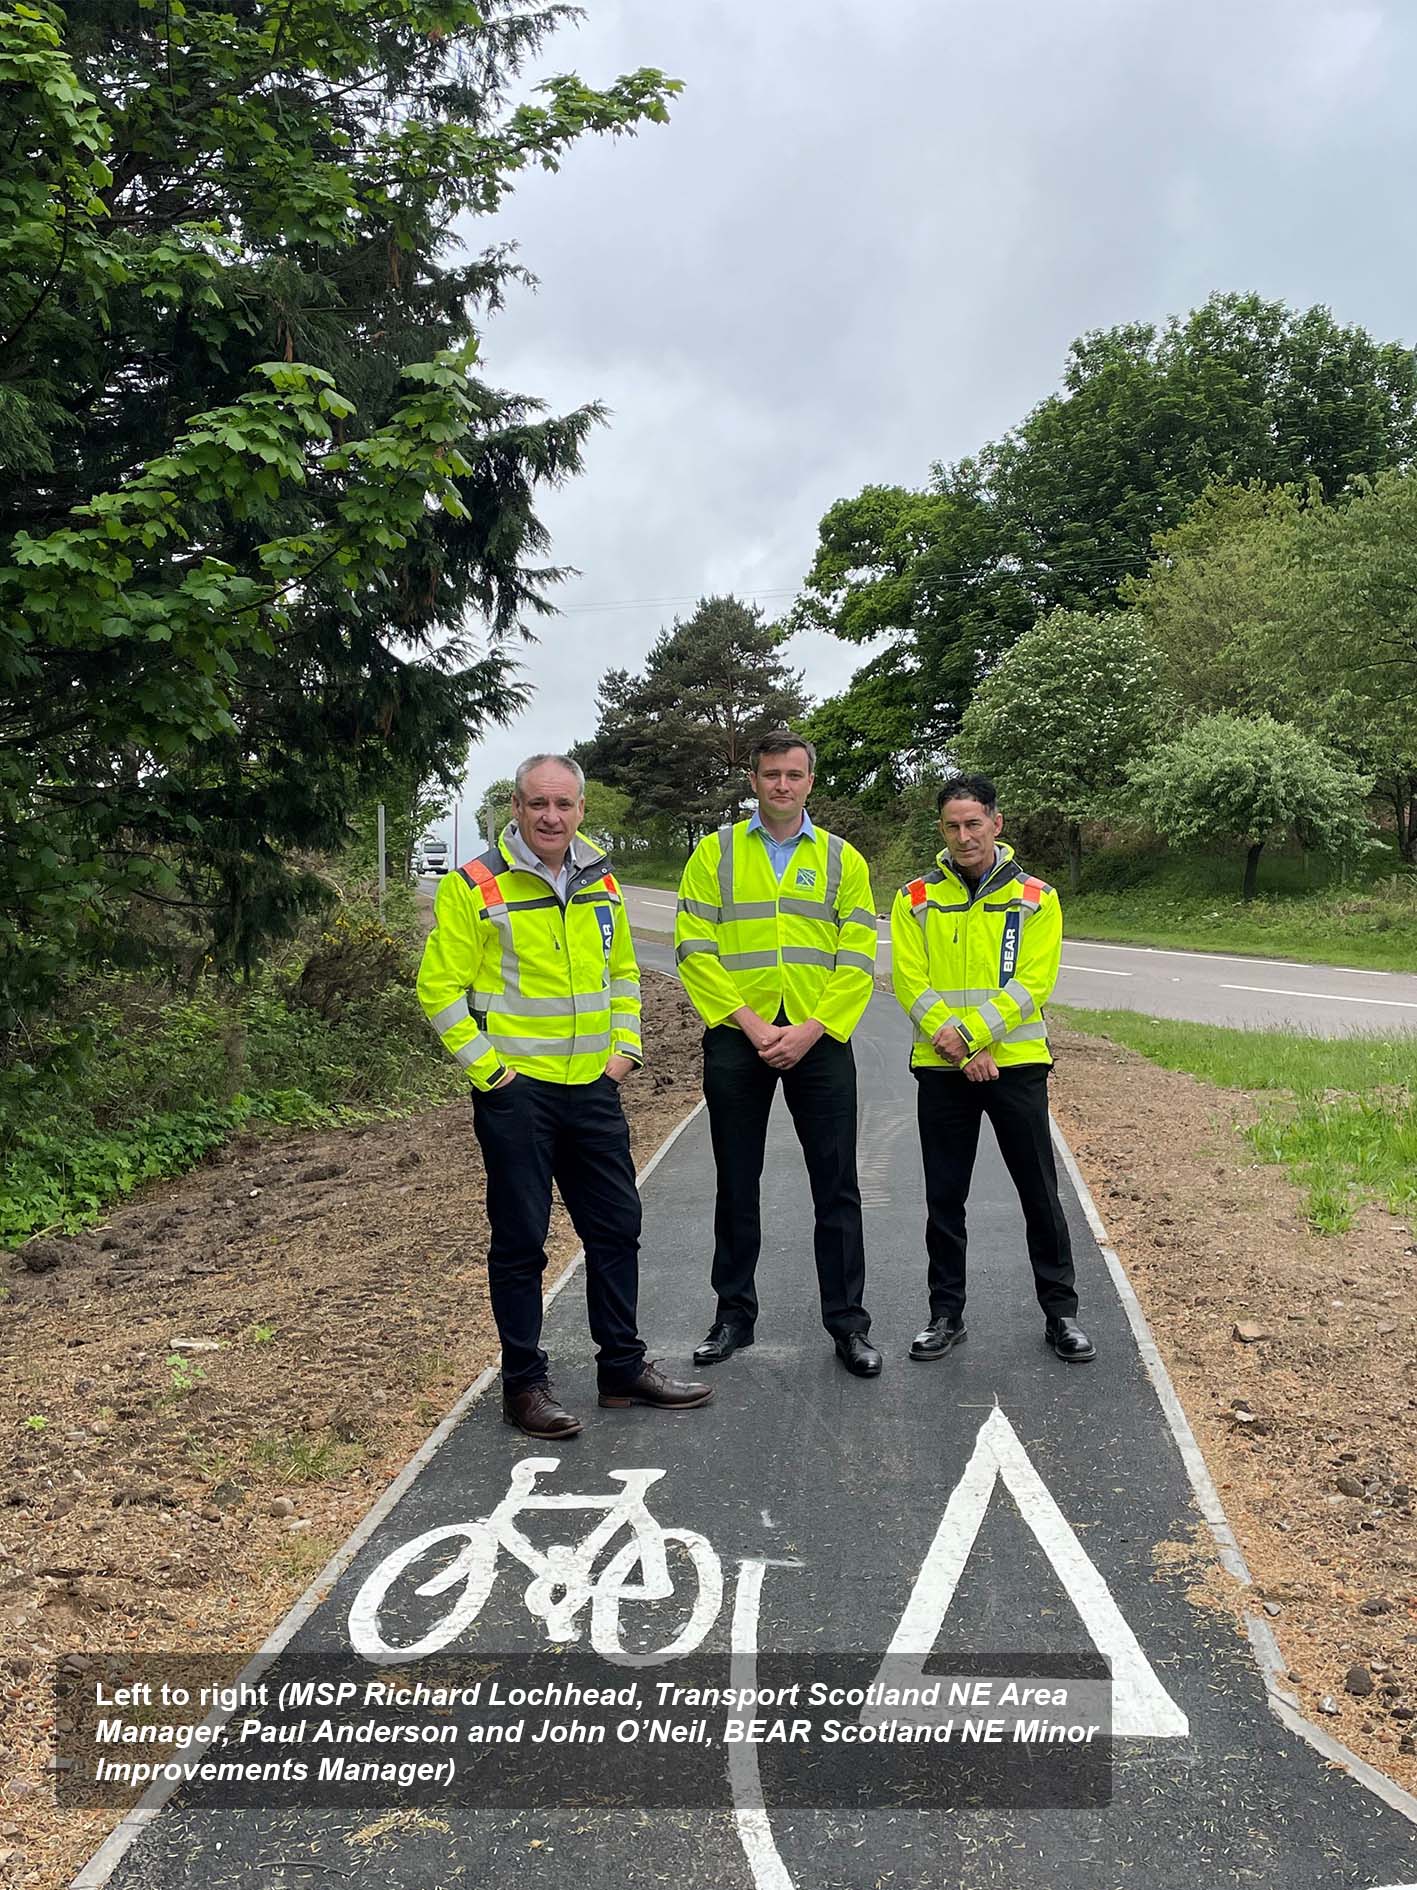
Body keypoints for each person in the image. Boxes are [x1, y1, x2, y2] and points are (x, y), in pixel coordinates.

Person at [417, 753, 713, 1438]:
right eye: (537, 803)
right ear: (515, 808)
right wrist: (491, 1073)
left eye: (564, 804)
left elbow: (621, 973)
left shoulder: (600, 879)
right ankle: (523, 1384)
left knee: (616, 1230)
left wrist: (625, 1050)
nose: (551, 816)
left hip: (593, 1090)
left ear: (581, 809)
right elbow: (438, 990)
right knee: (521, 1244)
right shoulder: (474, 887)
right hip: (517, 1095)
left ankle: (622, 1370)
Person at [674, 731, 882, 1377]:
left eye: (794, 774)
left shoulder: (844, 860)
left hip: (819, 1039)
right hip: (740, 1036)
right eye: (771, 774)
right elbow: (692, 946)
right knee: (736, 1184)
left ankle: (847, 1325)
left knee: (837, 1187)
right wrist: (750, 1022)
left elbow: (858, 956)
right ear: (753, 780)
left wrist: (812, 1027)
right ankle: (732, 1316)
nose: (782, 785)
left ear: (810, 782)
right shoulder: (713, 854)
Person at [889, 772, 1095, 1364]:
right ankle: (944, 1315)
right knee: (944, 1198)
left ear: (996, 824)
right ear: (941, 829)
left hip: (1016, 1064)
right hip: (941, 1067)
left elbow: (1035, 981)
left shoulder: (1036, 896)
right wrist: (956, 1045)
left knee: (1039, 1193)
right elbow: (909, 980)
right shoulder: (914, 898)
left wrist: (976, 1037)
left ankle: (1062, 1315)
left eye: (973, 823)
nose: (963, 835)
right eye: (952, 825)